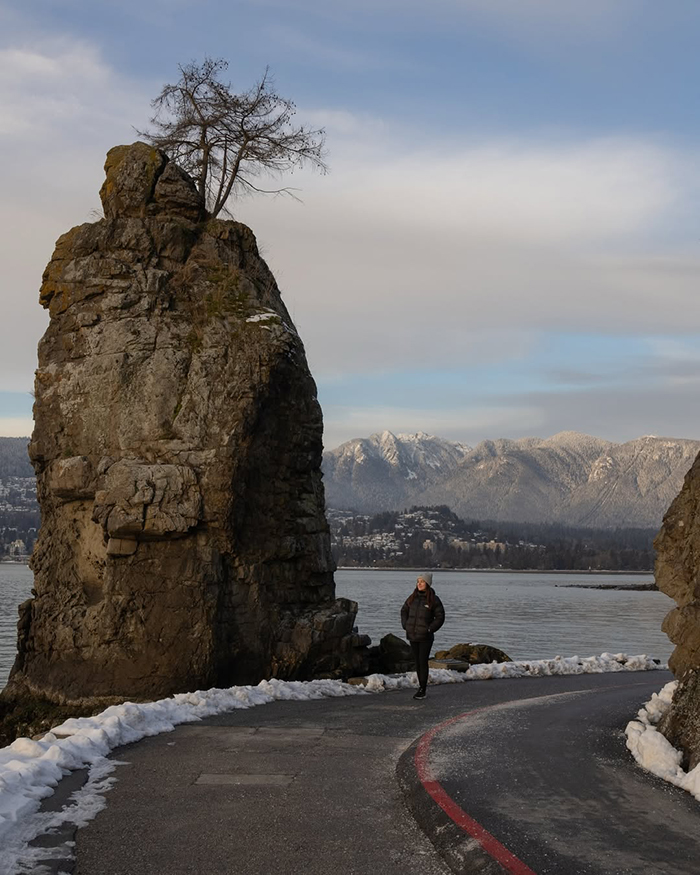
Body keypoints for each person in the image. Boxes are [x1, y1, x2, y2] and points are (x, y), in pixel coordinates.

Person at [401, 572, 445, 700]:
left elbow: (440, 617)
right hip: (412, 635)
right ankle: (420, 686)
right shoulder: (412, 597)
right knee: (417, 662)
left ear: (427, 584)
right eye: (418, 581)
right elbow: (403, 610)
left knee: (422, 662)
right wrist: (405, 624)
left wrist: (430, 628)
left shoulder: (433, 599)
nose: (419, 584)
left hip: (425, 637)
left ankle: (422, 689)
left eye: (422, 581)